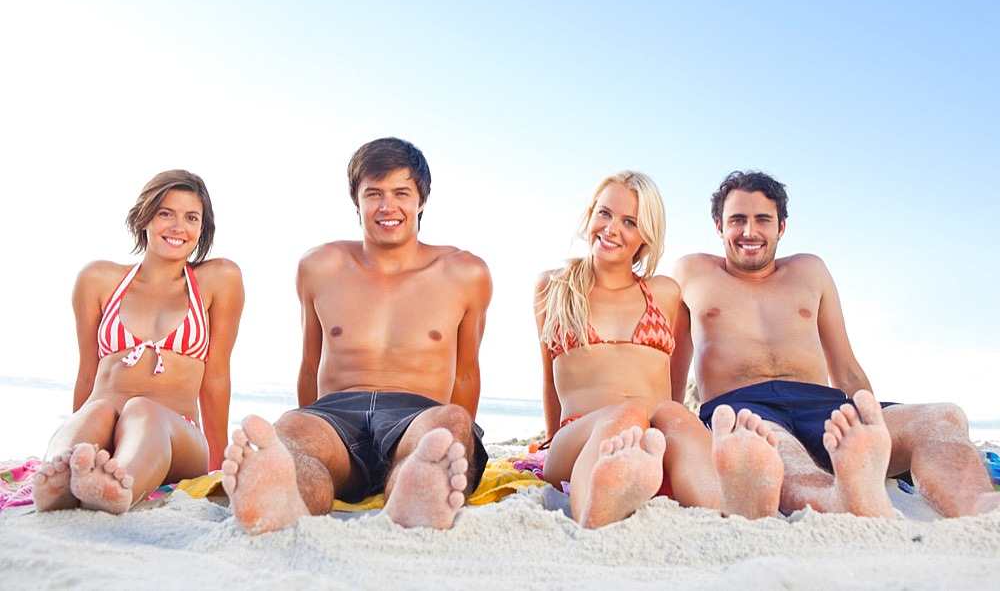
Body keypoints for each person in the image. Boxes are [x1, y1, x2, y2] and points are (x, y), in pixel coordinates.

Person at [673, 170, 1000, 518]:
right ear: (718, 226)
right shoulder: (691, 273)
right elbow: (672, 374)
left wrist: (872, 423)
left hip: (823, 408)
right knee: (776, 450)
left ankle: (980, 508)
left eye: (762, 220)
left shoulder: (810, 271)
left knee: (941, 417)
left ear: (781, 227)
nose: (749, 232)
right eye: (737, 220)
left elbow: (845, 368)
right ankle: (840, 499)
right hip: (743, 408)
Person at [221, 137, 492, 533]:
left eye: (401, 192)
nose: (387, 207)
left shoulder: (465, 273)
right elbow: (310, 363)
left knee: (447, 426)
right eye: (373, 194)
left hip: (416, 414)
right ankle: (285, 499)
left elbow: (466, 373)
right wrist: (311, 425)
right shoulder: (320, 266)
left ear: (421, 200)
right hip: (335, 413)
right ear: (356, 201)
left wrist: (461, 434)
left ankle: (416, 494)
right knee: (293, 435)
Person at [534, 171, 784, 529]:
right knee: (626, 415)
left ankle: (732, 505)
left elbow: (673, 381)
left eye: (630, 222)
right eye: (604, 213)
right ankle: (596, 505)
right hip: (581, 438)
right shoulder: (553, 287)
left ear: (645, 236)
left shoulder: (664, 293)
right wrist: (550, 439)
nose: (611, 229)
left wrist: (671, 420)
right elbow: (549, 379)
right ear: (590, 214)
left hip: (654, 440)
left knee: (674, 415)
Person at [32, 170, 245, 514]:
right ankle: (63, 474)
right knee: (98, 409)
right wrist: (82, 427)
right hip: (106, 419)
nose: (178, 227)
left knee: (142, 409)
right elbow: (87, 374)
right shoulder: (98, 279)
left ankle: (117, 484)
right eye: (166, 213)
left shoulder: (218, 280)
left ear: (202, 229)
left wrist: (218, 469)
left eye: (191, 218)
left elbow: (217, 377)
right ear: (144, 217)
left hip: (177, 436)